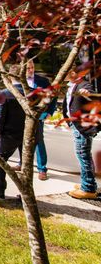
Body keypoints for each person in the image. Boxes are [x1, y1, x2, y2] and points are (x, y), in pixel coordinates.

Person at [0, 64, 25, 199]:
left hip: (9, 133)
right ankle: (25, 192)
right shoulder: (31, 92)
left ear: (9, 76)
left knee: (0, 160)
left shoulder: (5, 94)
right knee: (26, 163)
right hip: (27, 133)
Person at [63, 68, 98, 199]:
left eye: (65, 72)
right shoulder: (72, 86)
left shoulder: (84, 85)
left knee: (83, 155)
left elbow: (92, 96)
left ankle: (88, 188)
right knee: (84, 155)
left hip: (82, 128)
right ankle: (88, 183)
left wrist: (87, 94)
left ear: (72, 73)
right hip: (76, 125)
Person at [26, 60, 56, 181]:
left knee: (39, 141)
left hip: (38, 115)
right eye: (28, 68)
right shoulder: (17, 80)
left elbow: (52, 97)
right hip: (24, 115)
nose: (30, 70)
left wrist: (49, 112)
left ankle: (42, 169)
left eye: (32, 67)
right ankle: (22, 162)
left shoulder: (43, 81)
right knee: (23, 140)